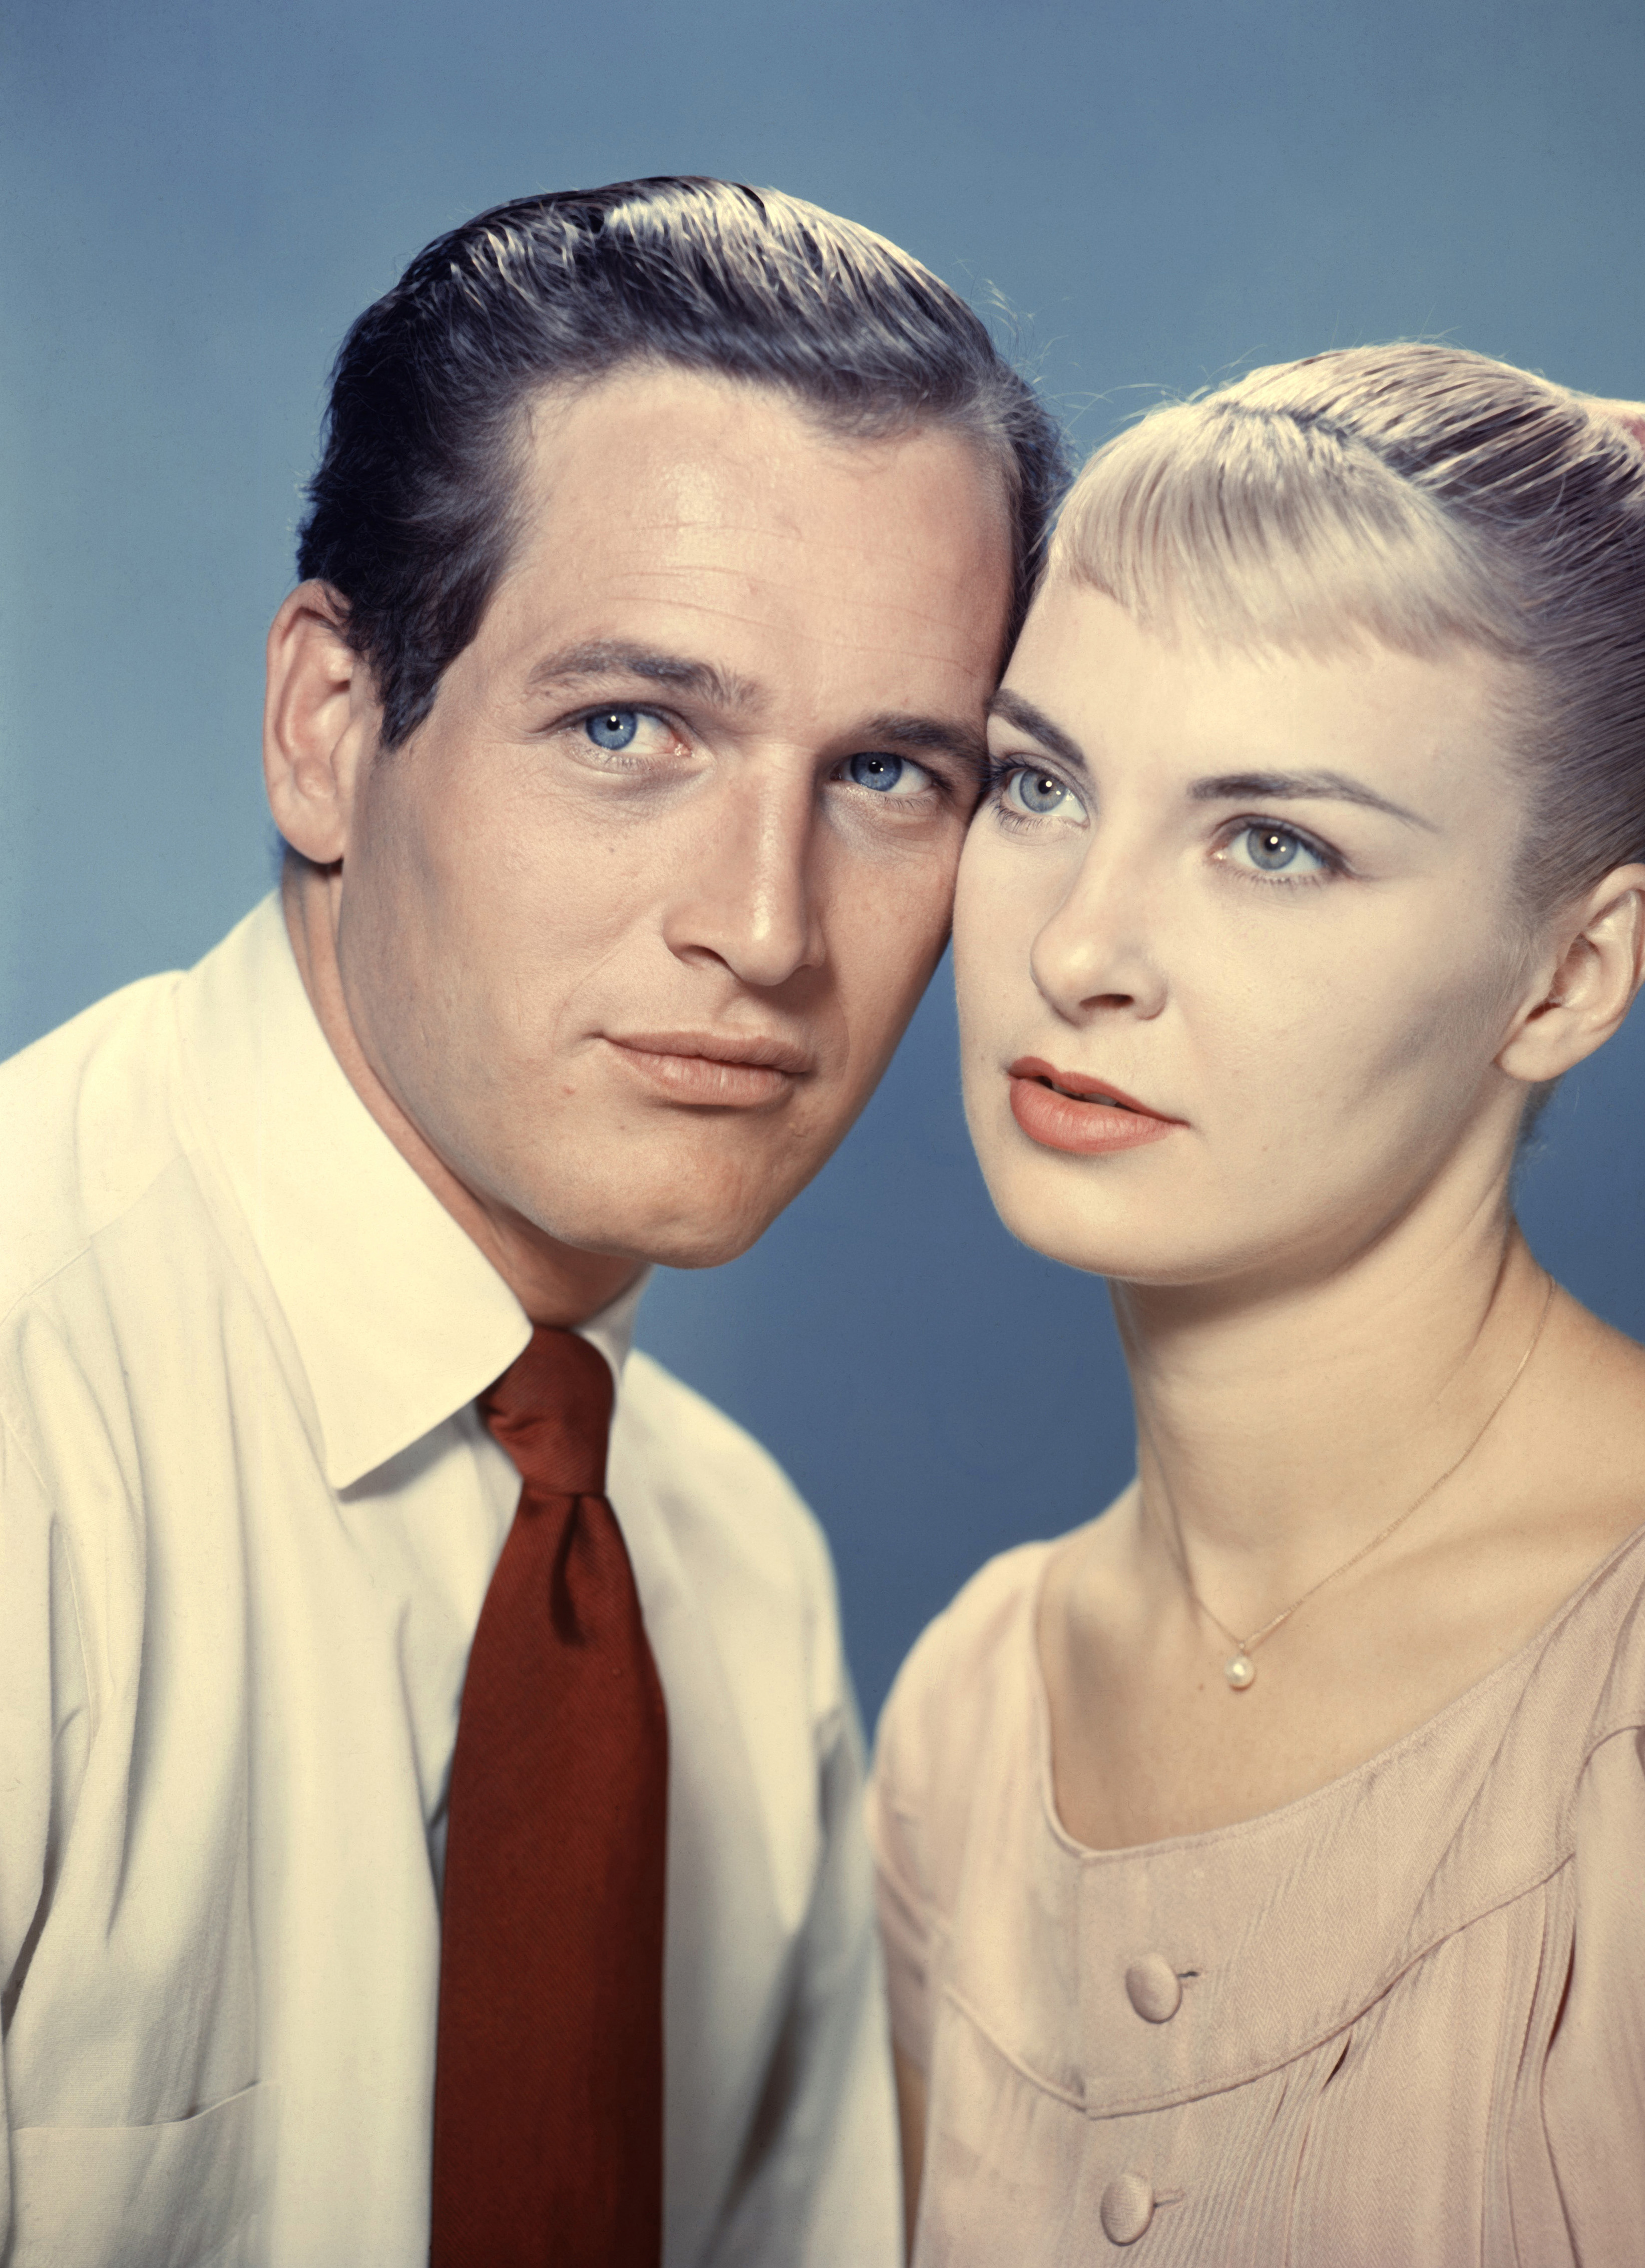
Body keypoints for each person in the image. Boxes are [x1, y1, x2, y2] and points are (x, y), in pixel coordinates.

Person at [0, 177, 1065, 2268]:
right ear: (330, 728)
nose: (764, 928)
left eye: (889, 777)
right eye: (628, 727)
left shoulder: (734, 1585)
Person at [869, 343, 1645, 2263]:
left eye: (1272, 842)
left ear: (1571, 974)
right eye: (1039, 783)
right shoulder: (969, 1712)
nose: (1082, 944)